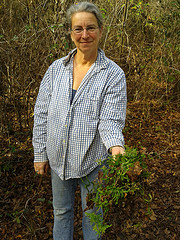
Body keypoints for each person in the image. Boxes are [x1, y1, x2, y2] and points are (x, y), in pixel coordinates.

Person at [32, 2, 127, 239]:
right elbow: (42, 113)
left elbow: (110, 120)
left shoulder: (113, 74)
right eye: (78, 29)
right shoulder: (56, 69)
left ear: (101, 30)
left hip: (93, 161)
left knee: (93, 213)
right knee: (62, 212)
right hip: (58, 158)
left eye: (91, 28)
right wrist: (40, 153)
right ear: (71, 33)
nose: (85, 35)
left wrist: (116, 146)